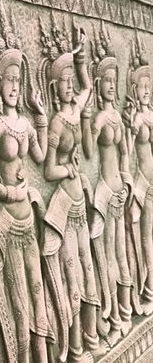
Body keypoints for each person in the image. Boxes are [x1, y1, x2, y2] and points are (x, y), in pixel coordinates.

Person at [0, 1, 50, 363]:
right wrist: (9, 191)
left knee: (37, 291)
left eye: (18, 81)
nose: (13, 87)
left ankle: (43, 356)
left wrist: (41, 116)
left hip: (28, 220)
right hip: (8, 220)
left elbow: (40, 157)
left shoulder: (23, 124)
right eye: (9, 81)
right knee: (19, 301)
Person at [37, 16, 105, 362]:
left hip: (81, 203)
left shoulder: (76, 111)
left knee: (88, 270)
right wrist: (68, 168)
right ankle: (76, 348)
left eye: (70, 81)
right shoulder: (55, 124)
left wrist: (80, 58)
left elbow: (87, 88)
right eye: (63, 82)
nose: (69, 86)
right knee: (72, 279)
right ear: (54, 87)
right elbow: (48, 169)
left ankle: (91, 338)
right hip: (63, 206)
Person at [84, 22, 133, 347]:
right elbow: (89, 152)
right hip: (103, 192)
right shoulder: (101, 118)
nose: (113, 86)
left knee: (119, 253)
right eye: (108, 81)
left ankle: (124, 315)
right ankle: (114, 316)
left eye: (116, 81)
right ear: (99, 84)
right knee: (105, 258)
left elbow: (126, 153)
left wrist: (127, 182)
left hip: (118, 192)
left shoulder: (117, 118)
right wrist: (88, 119)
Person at [123, 35, 152, 315]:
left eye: (148, 86)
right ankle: (148, 289)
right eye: (142, 87)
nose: (146, 91)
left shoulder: (150, 115)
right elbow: (129, 152)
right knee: (145, 238)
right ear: (134, 88)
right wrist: (132, 129)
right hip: (144, 185)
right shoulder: (137, 118)